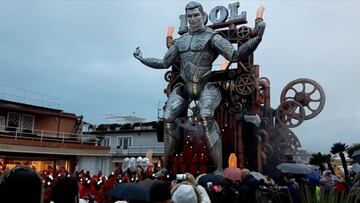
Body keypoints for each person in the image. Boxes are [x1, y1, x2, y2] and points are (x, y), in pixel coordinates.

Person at [134, 1, 266, 170]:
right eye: (190, 16)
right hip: (186, 88)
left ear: (203, 16)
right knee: (167, 117)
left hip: (207, 85)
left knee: (205, 115)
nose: (193, 19)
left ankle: (219, 168)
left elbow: (234, 55)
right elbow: (164, 63)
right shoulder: (181, 42)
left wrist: (257, 38)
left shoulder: (212, 37)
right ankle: (166, 166)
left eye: (196, 15)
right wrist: (142, 58)